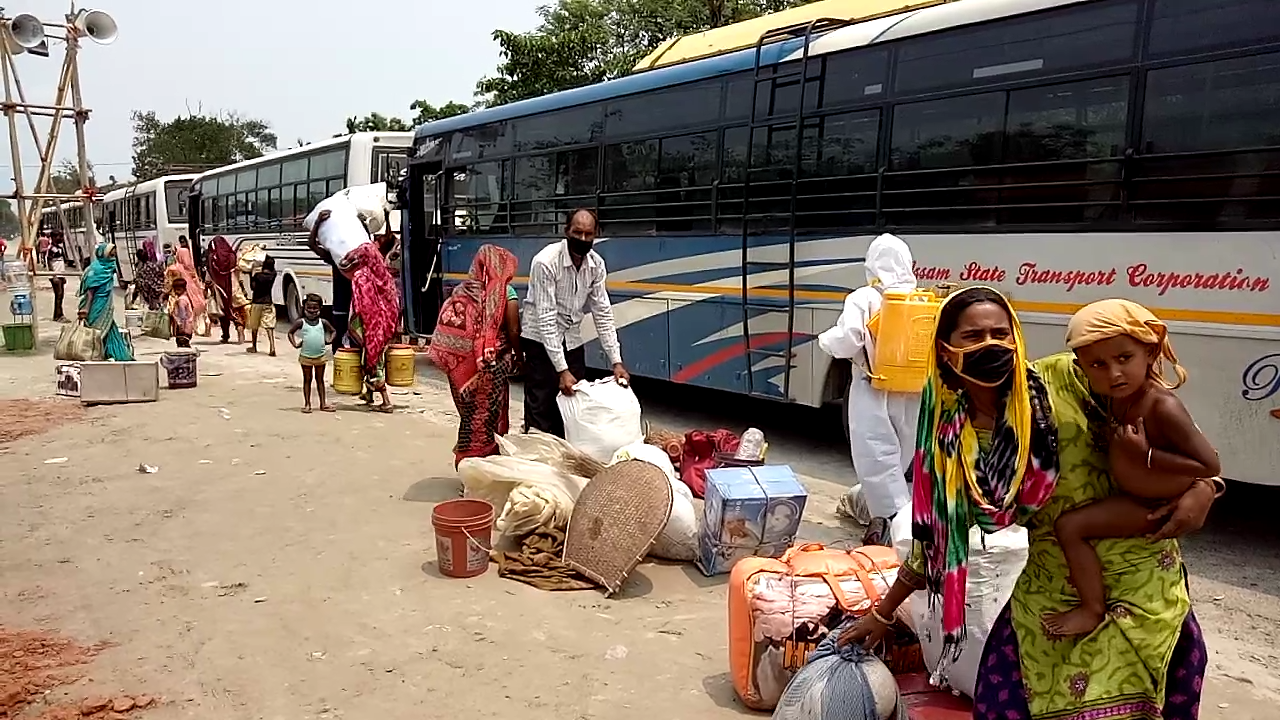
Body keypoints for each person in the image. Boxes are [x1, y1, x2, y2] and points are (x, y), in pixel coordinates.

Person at [837, 286, 1221, 720]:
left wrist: (1206, 488)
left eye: (1001, 333)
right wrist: (883, 615)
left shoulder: (1066, 379)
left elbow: (1173, 433)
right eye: (973, 336)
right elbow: (936, 541)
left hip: (1145, 588)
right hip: (1051, 594)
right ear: (945, 351)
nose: (991, 346)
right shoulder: (948, 448)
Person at [1043, 299, 1221, 637]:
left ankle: (1092, 609)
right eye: (1097, 364)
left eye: (1124, 359)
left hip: (1154, 506)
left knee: (1070, 527)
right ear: (1080, 367)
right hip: (1135, 494)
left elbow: (1208, 463)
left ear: (1150, 354)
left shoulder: (1162, 405)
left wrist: (1147, 454)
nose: (1114, 373)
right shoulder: (1113, 396)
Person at [817, 233, 920, 546]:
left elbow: (849, 339)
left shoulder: (865, 297)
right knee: (902, 455)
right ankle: (901, 523)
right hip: (913, 391)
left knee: (876, 458)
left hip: (873, 387)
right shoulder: (919, 298)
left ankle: (901, 535)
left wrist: (825, 340)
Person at [521, 208, 629, 437]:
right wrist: (562, 370)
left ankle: (564, 463)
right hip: (539, 340)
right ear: (566, 231)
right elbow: (546, 318)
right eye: (577, 232)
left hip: (571, 339)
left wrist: (616, 361)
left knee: (573, 410)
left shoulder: (596, 265)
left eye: (588, 234)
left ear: (595, 234)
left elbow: (602, 312)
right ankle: (536, 462)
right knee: (541, 409)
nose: (582, 239)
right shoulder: (545, 262)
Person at [428, 244, 521, 467]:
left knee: (470, 420)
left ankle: (475, 468)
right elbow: (513, 329)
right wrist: (519, 355)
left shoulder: (462, 291)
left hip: (460, 375)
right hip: (488, 371)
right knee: (482, 422)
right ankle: (476, 470)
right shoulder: (505, 294)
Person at [308, 207, 400, 413]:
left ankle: (385, 399)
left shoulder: (362, 274)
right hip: (359, 317)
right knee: (363, 356)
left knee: (369, 357)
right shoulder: (380, 273)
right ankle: (368, 392)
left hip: (358, 318)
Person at [77, 243, 133, 362]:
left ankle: (109, 353)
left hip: (106, 306)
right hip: (95, 306)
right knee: (96, 331)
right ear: (104, 255)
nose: (113, 258)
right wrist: (86, 309)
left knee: (108, 329)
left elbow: (119, 282)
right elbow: (90, 293)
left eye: (114, 255)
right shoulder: (95, 270)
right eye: (110, 255)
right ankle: (94, 353)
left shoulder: (110, 268)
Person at [288, 293, 336, 414]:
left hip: (320, 356)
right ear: (304, 308)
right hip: (305, 357)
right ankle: (307, 404)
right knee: (307, 380)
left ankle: (323, 403)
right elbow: (290, 333)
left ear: (320, 309)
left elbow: (333, 331)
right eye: (309, 308)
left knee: (320, 380)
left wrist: (329, 340)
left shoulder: (323, 322)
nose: (312, 311)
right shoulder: (301, 322)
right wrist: (295, 344)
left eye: (315, 308)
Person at [207, 235, 246, 344]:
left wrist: (208, 287)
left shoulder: (212, 257)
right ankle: (240, 330)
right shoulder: (232, 255)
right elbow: (238, 270)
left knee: (223, 312)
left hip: (219, 289)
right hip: (233, 287)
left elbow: (209, 277)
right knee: (236, 310)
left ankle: (225, 335)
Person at [167, 247, 210, 337]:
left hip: (177, 294)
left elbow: (168, 282)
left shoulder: (173, 268)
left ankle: (177, 332)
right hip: (194, 294)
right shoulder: (192, 269)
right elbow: (197, 282)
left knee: (177, 313)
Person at [247, 255, 278, 356]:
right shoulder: (273, 275)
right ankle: (272, 346)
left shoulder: (258, 276)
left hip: (257, 302)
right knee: (269, 326)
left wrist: (250, 275)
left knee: (254, 325)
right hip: (268, 302)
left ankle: (254, 346)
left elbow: (253, 288)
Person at [46, 232, 69, 322]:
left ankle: (60, 314)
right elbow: (49, 262)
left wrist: (63, 276)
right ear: (53, 237)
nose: (61, 238)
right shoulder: (51, 249)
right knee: (58, 295)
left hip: (61, 274)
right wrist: (53, 275)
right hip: (55, 276)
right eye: (59, 236)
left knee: (61, 295)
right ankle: (57, 316)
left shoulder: (60, 248)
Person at [169, 276, 195, 348]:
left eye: (179, 290)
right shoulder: (186, 298)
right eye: (175, 290)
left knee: (182, 346)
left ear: (184, 289)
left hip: (183, 328)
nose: (177, 292)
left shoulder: (181, 300)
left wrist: (181, 326)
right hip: (188, 327)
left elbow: (182, 315)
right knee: (184, 344)